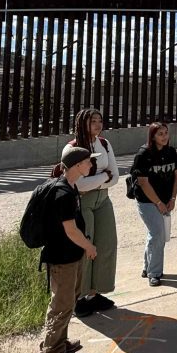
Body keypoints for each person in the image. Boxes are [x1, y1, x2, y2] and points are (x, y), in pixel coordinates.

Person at [40, 146, 98, 353]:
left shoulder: (71, 188)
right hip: (62, 258)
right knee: (61, 305)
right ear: (76, 166)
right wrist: (89, 246)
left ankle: (59, 343)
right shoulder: (63, 193)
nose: (91, 165)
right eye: (88, 162)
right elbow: (70, 230)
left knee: (68, 301)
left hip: (72, 256)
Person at [66, 108, 119, 319]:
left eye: (100, 120)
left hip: (103, 200)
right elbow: (78, 185)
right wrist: (102, 178)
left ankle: (95, 292)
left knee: (106, 245)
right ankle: (78, 297)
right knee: (85, 248)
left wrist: (98, 180)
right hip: (82, 204)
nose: (97, 125)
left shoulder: (104, 144)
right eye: (92, 121)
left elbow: (115, 177)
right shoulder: (72, 148)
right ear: (82, 123)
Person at [130, 122, 177, 286]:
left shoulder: (171, 151)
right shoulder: (144, 154)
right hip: (147, 201)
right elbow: (143, 182)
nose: (164, 136)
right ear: (152, 136)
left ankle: (147, 267)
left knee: (157, 235)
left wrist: (172, 199)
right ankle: (155, 273)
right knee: (157, 233)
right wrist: (158, 202)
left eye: (166, 133)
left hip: (165, 200)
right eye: (160, 134)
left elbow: (176, 175)